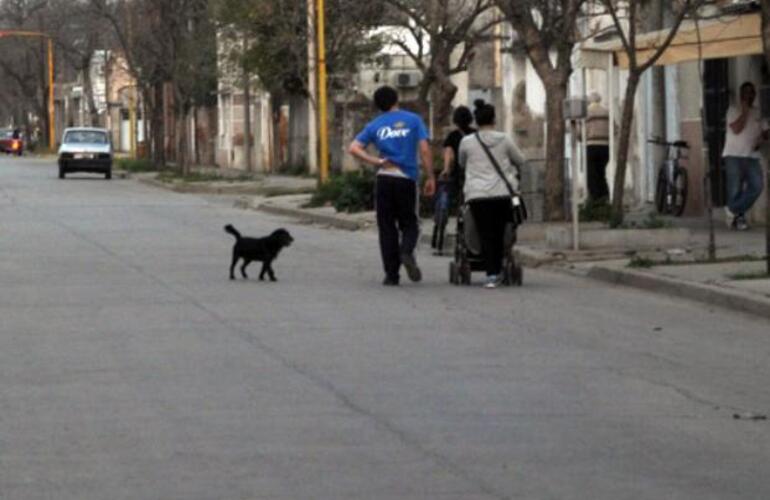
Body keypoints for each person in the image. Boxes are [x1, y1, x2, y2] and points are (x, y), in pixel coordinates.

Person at [348, 86, 436, 286]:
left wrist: (376, 162)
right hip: (406, 179)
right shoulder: (413, 120)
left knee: (387, 227)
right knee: (410, 223)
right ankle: (406, 251)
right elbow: (424, 149)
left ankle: (391, 275)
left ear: (378, 105)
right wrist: (430, 176)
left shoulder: (374, 125)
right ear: (396, 99)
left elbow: (353, 148)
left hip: (384, 179)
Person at [458, 100, 527, 289]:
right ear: (494, 119)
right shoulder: (504, 139)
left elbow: (462, 163)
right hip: (502, 194)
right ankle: (499, 267)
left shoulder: (466, 142)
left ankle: (492, 274)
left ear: (476, 121)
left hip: (477, 195)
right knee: (501, 231)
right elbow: (520, 160)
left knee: (485, 233)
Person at [723, 82, 768, 231]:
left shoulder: (758, 112)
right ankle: (739, 219)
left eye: (751, 92)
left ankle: (732, 210)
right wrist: (745, 112)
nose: (749, 95)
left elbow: (765, 131)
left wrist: (762, 137)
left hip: (752, 155)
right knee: (735, 190)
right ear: (741, 94)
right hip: (733, 155)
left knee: (757, 186)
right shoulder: (733, 109)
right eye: (746, 92)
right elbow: (736, 129)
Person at [432, 106, 476, 255]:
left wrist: (445, 170)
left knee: (451, 204)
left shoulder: (452, 136)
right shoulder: (475, 134)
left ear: (455, 120)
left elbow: (448, 154)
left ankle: (441, 241)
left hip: (458, 175)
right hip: (474, 175)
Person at [583, 92, 611, 203]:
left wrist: (581, 137)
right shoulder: (607, 112)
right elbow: (615, 128)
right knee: (601, 173)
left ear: (590, 101)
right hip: (605, 146)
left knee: (591, 174)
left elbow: (582, 131)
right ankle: (604, 196)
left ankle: (594, 198)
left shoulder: (587, 112)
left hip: (592, 145)